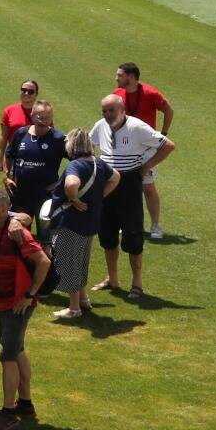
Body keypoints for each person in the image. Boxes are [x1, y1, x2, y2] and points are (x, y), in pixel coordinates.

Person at [0, 187, 50, 430]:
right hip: (5, 301)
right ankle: (26, 404)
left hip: (16, 304)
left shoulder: (16, 232)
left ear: (2, 209)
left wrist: (29, 295)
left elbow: (44, 262)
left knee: (7, 355)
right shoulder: (1, 227)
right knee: (17, 350)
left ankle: (9, 412)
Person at [89, 94, 173, 297]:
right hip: (107, 183)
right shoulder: (100, 125)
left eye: (112, 110)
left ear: (122, 109)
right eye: (105, 111)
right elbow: (91, 144)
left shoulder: (137, 127)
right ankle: (113, 279)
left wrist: (147, 166)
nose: (108, 115)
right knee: (107, 234)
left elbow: (168, 145)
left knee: (133, 234)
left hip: (129, 185)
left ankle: (137, 283)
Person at [49, 132, 119, 319]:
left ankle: (74, 308)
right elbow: (116, 177)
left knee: (69, 263)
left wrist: (74, 198)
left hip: (71, 222)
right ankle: (83, 299)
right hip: (89, 221)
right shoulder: (98, 163)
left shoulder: (75, 164)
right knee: (81, 261)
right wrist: (100, 196)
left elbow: (72, 183)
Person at [114, 63, 175, 240]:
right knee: (121, 187)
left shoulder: (150, 93)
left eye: (120, 75)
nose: (116, 78)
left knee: (148, 187)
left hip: (146, 149)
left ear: (131, 77)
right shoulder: (117, 95)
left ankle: (155, 225)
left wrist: (162, 134)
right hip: (124, 148)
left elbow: (168, 110)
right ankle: (124, 222)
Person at [4, 101, 66, 225]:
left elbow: (77, 161)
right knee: (18, 233)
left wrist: (61, 183)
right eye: (40, 117)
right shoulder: (21, 133)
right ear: (32, 115)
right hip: (20, 194)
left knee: (46, 235)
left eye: (47, 117)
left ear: (52, 117)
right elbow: (9, 154)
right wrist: (6, 177)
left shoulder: (59, 139)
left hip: (46, 195)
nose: (43, 121)